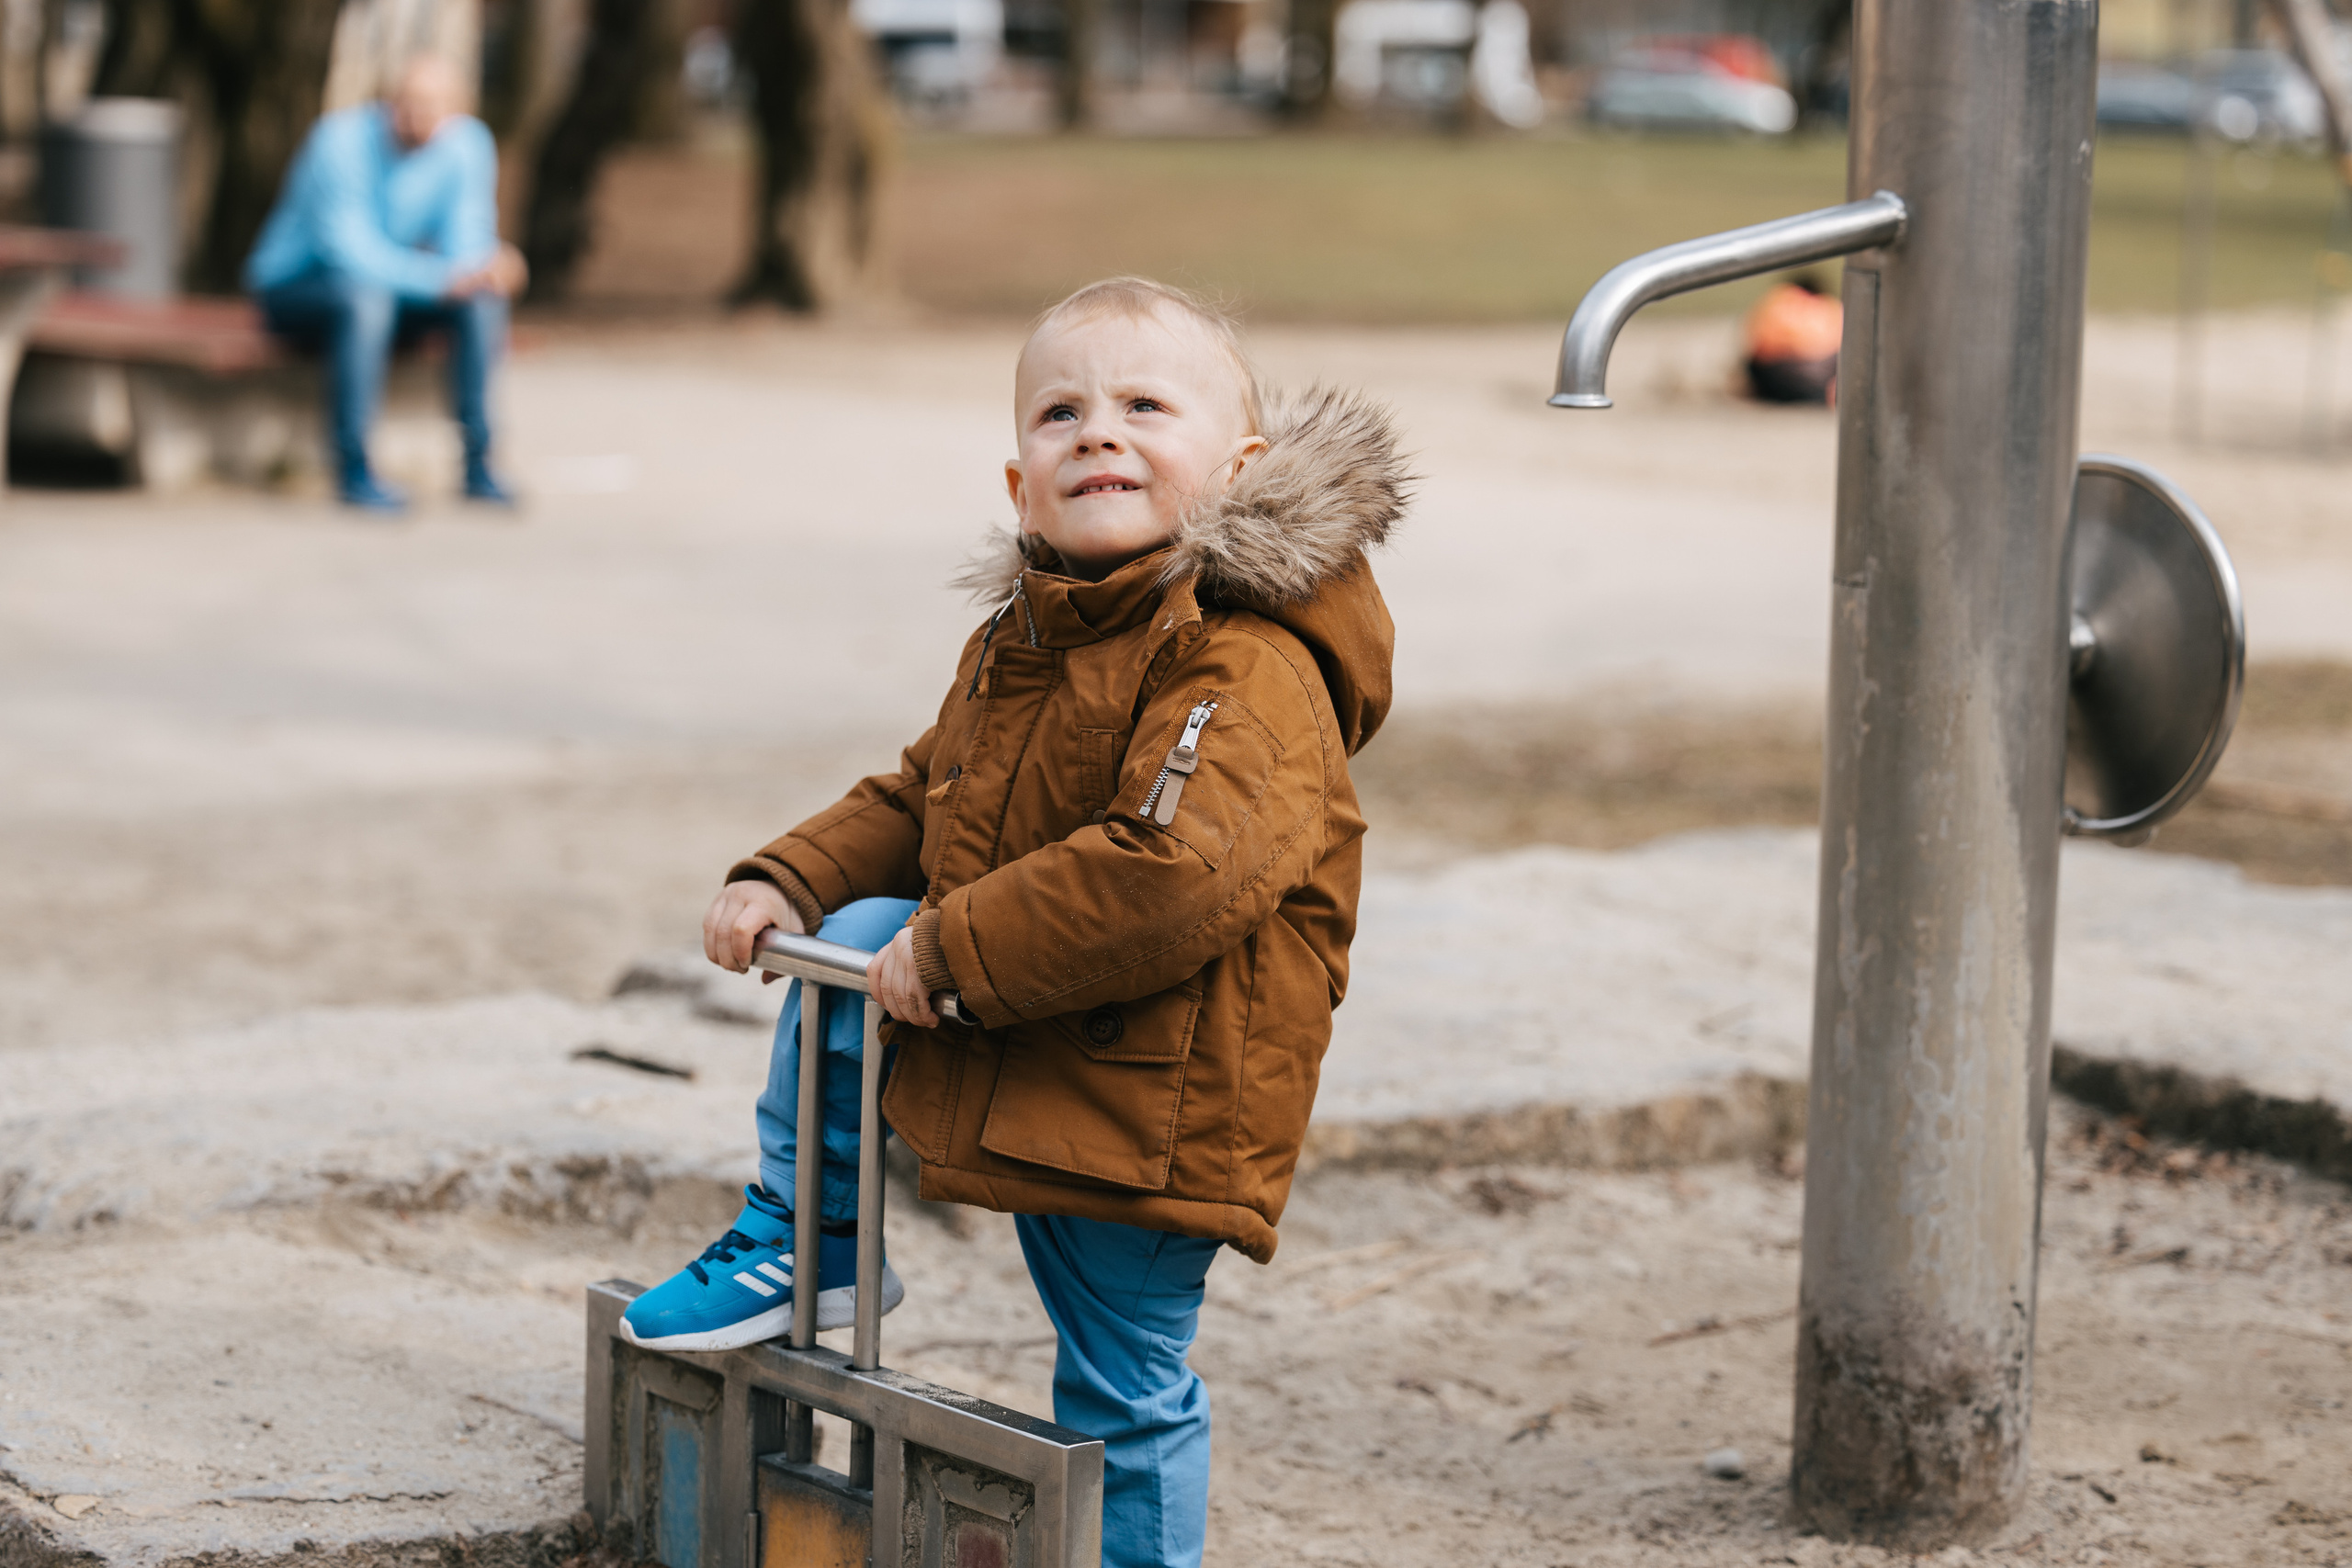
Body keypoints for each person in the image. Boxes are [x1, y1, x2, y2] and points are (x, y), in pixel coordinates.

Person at [619, 277, 1407, 1568]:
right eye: (1060, 412)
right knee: (862, 921)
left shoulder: (1248, 657)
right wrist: (790, 878)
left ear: (1241, 467)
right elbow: (921, 791)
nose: (1097, 431)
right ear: (1016, 478)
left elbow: (1175, 869)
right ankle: (808, 1233)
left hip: (1161, 1082)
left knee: (1121, 1376)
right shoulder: (1029, 634)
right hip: (1048, 1017)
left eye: (1145, 405)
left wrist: (956, 949)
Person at [244, 57, 526, 513]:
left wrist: (488, 267)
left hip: (392, 289)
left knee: (481, 299)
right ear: (388, 101)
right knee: (365, 300)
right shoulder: (339, 142)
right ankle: (353, 467)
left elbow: (467, 235)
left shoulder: (468, 146)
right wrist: (443, 279)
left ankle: (479, 463)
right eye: (408, 104)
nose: (417, 117)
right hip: (297, 288)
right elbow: (349, 253)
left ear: (459, 110)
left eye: (433, 107)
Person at [1742, 271, 1844, 406]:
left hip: (1775, 369)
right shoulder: (1826, 305)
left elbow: (1755, 346)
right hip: (1808, 368)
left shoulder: (1775, 298)